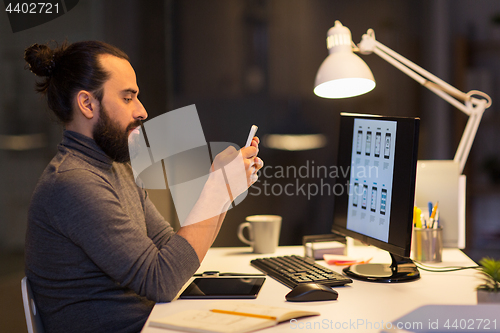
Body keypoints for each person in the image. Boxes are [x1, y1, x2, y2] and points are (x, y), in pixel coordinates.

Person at [23, 40, 263, 333]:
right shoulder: (73, 183)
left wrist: (225, 186)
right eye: (127, 98)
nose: (142, 111)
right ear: (87, 104)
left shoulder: (116, 168)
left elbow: (173, 254)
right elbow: (161, 280)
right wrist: (220, 188)